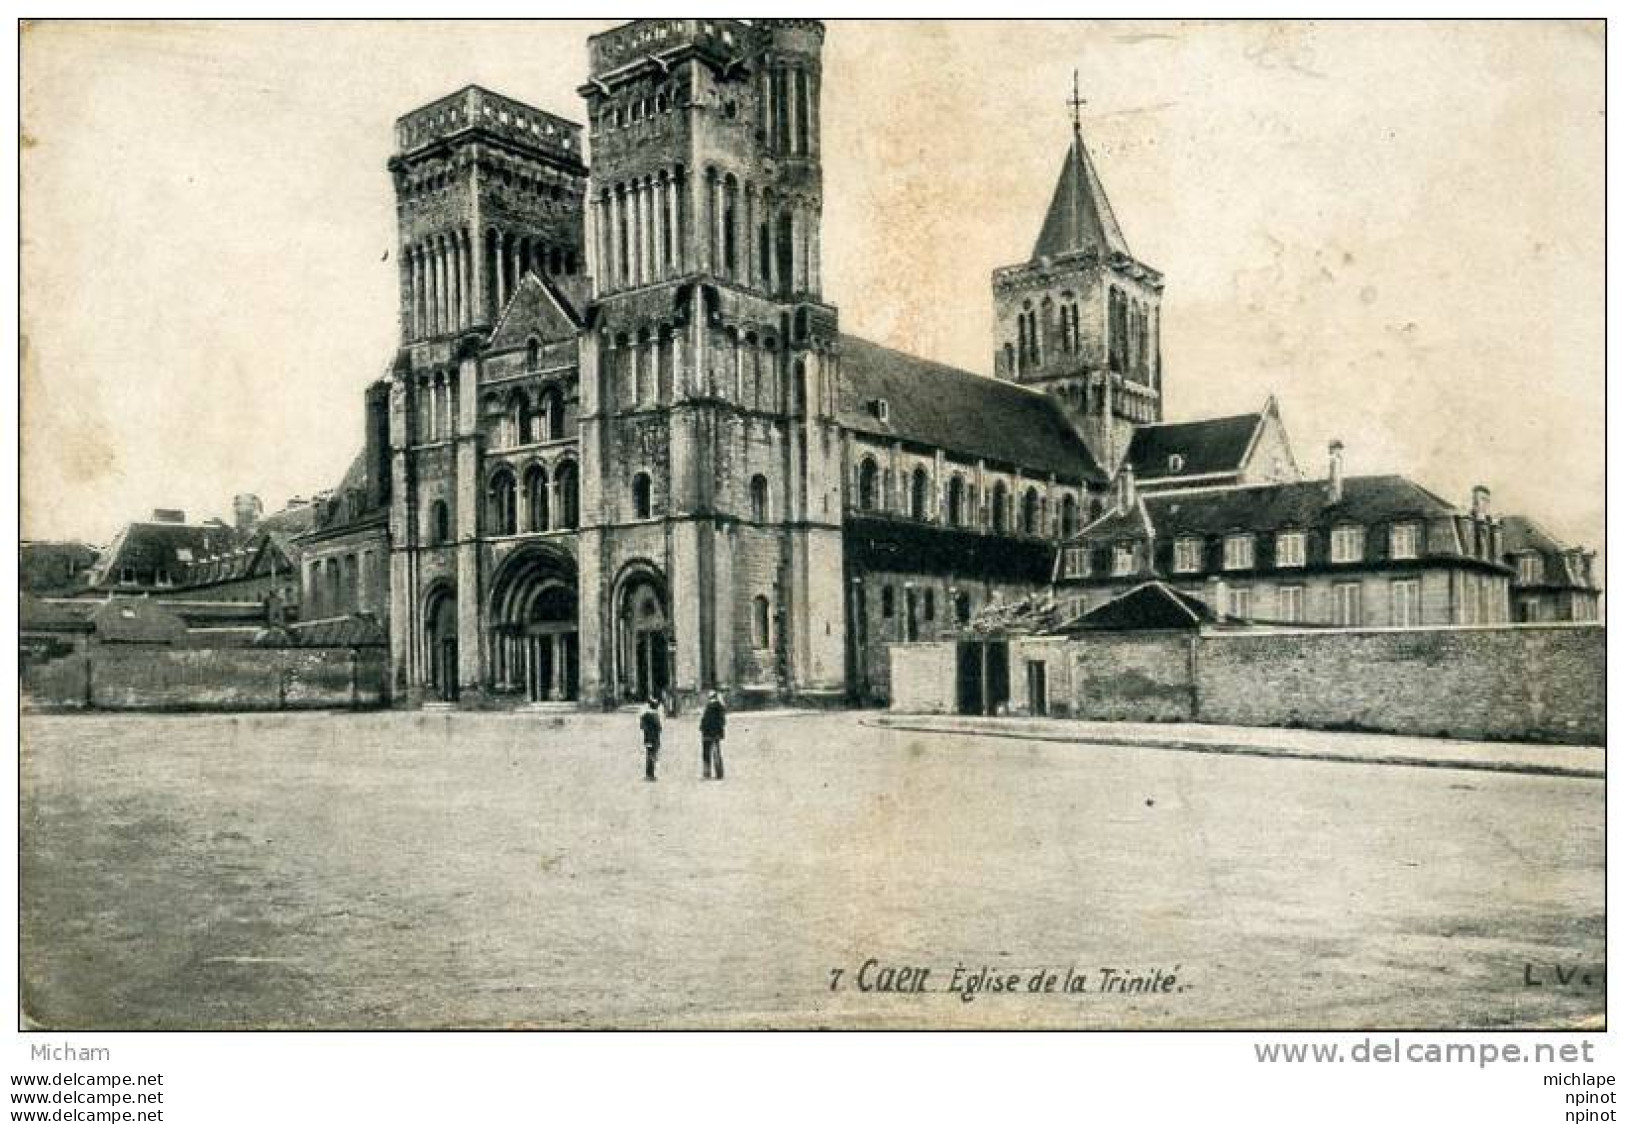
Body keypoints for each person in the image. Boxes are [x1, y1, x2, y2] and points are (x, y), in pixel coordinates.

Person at [699, 689, 727, 781]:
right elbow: (723, 722)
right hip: (716, 734)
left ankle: (707, 773)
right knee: (717, 753)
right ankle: (719, 773)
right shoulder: (720, 708)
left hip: (707, 735)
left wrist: (702, 729)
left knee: (706, 754)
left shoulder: (708, 708)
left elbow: (704, 722)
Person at [639, 698, 662, 782]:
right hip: (654, 740)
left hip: (647, 739)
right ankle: (651, 775)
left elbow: (641, 726)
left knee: (649, 756)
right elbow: (659, 728)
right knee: (652, 757)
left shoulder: (645, 715)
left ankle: (649, 774)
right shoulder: (655, 716)